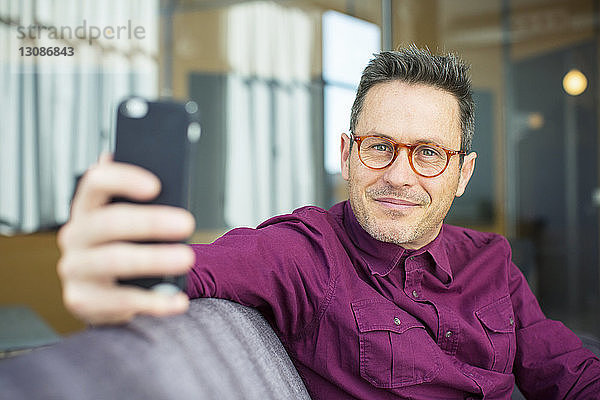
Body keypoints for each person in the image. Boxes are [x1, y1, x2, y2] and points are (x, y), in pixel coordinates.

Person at [56, 46, 599, 399]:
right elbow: (183, 272)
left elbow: (567, 373)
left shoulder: (492, 260)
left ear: (462, 173)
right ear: (347, 154)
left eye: (429, 153)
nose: (401, 177)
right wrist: (112, 265)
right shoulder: (304, 254)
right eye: (380, 146)